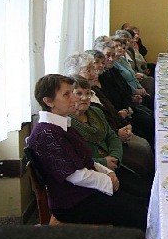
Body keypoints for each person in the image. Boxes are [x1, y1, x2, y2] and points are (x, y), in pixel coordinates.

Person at [27, 74, 147, 230]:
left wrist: (108, 172)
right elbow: (75, 175)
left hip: (85, 190)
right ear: (49, 101)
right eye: (66, 94)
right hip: (72, 203)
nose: (73, 98)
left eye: (72, 92)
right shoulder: (47, 133)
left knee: (141, 199)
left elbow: (87, 160)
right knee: (138, 212)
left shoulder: (61, 124)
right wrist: (107, 181)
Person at [64, 53, 154, 179]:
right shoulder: (69, 118)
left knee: (145, 142)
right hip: (97, 166)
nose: (94, 73)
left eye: (93, 69)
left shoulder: (95, 93)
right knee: (143, 151)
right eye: (88, 70)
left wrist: (124, 126)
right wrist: (106, 160)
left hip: (114, 145)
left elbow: (110, 127)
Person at [69, 76, 151, 198]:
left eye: (88, 93)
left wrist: (115, 157)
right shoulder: (67, 123)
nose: (85, 98)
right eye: (79, 94)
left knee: (145, 188)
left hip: (113, 163)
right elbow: (76, 159)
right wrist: (104, 162)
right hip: (94, 174)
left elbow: (112, 137)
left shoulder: (96, 112)